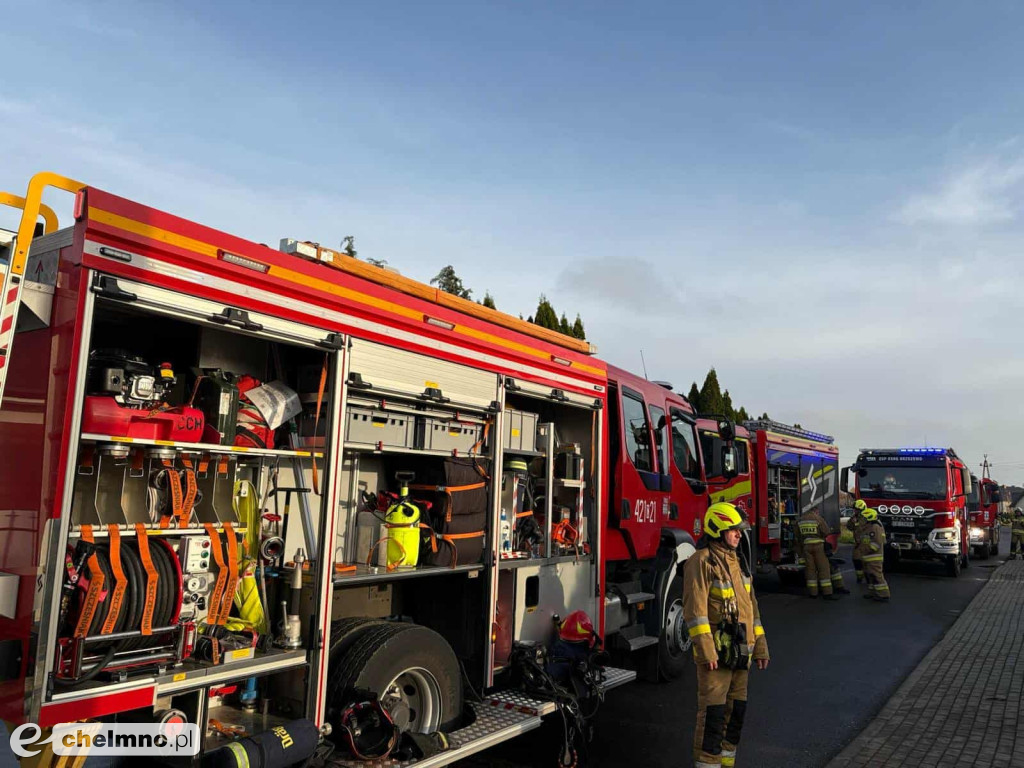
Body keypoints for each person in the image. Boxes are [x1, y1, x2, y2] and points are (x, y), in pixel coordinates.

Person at [683, 503, 769, 768]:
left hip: (742, 652)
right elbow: (695, 611)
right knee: (713, 716)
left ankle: (727, 763)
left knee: (736, 714)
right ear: (718, 529)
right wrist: (707, 651)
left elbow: (751, 608)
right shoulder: (701, 561)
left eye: (739, 531)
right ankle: (708, 765)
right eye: (734, 530)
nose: (739, 535)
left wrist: (761, 646)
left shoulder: (738, 561)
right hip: (717, 656)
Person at [796, 506, 839, 600]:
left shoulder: (800, 520)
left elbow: (798, 537)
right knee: (823, 569)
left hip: (806, 547)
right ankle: (827, 593)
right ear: (815, 511)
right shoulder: (818, 519)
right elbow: (826, 532)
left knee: (810, 570)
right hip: (818, 546)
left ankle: (813, 593)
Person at [858, 507, 890, 601]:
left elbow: (876, 543)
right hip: (867, 556)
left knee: (876, 575)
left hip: (873, 557)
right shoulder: (868, 527)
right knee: (870, 576)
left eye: (863, 518)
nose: (861, 519)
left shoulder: (875, 527)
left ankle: (884, 594)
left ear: (869, 518)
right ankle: (872, 592)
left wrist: (866, 549)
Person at [847, 500, 869, 585]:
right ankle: (859, 577)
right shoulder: (855, 517)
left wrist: (855, 523)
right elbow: (850, 527)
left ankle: (868, 578)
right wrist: (852, 522)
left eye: (856, 509)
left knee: (866, 562)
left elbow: (861, 528)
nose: (854, 511)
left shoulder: (866, 517)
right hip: (858, 543)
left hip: (866, 543)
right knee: (856, 560)